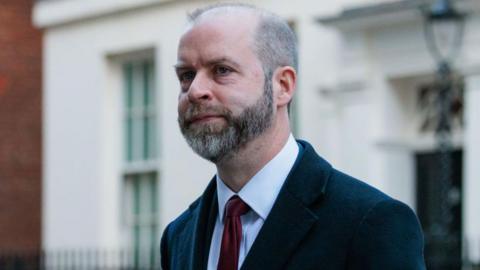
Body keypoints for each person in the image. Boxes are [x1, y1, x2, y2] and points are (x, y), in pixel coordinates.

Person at [161, 3, 425, 270]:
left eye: (221, 70)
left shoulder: (371, 223)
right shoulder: (178, 236)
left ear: (282, 86)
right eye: (186, 75)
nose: (195, 90)